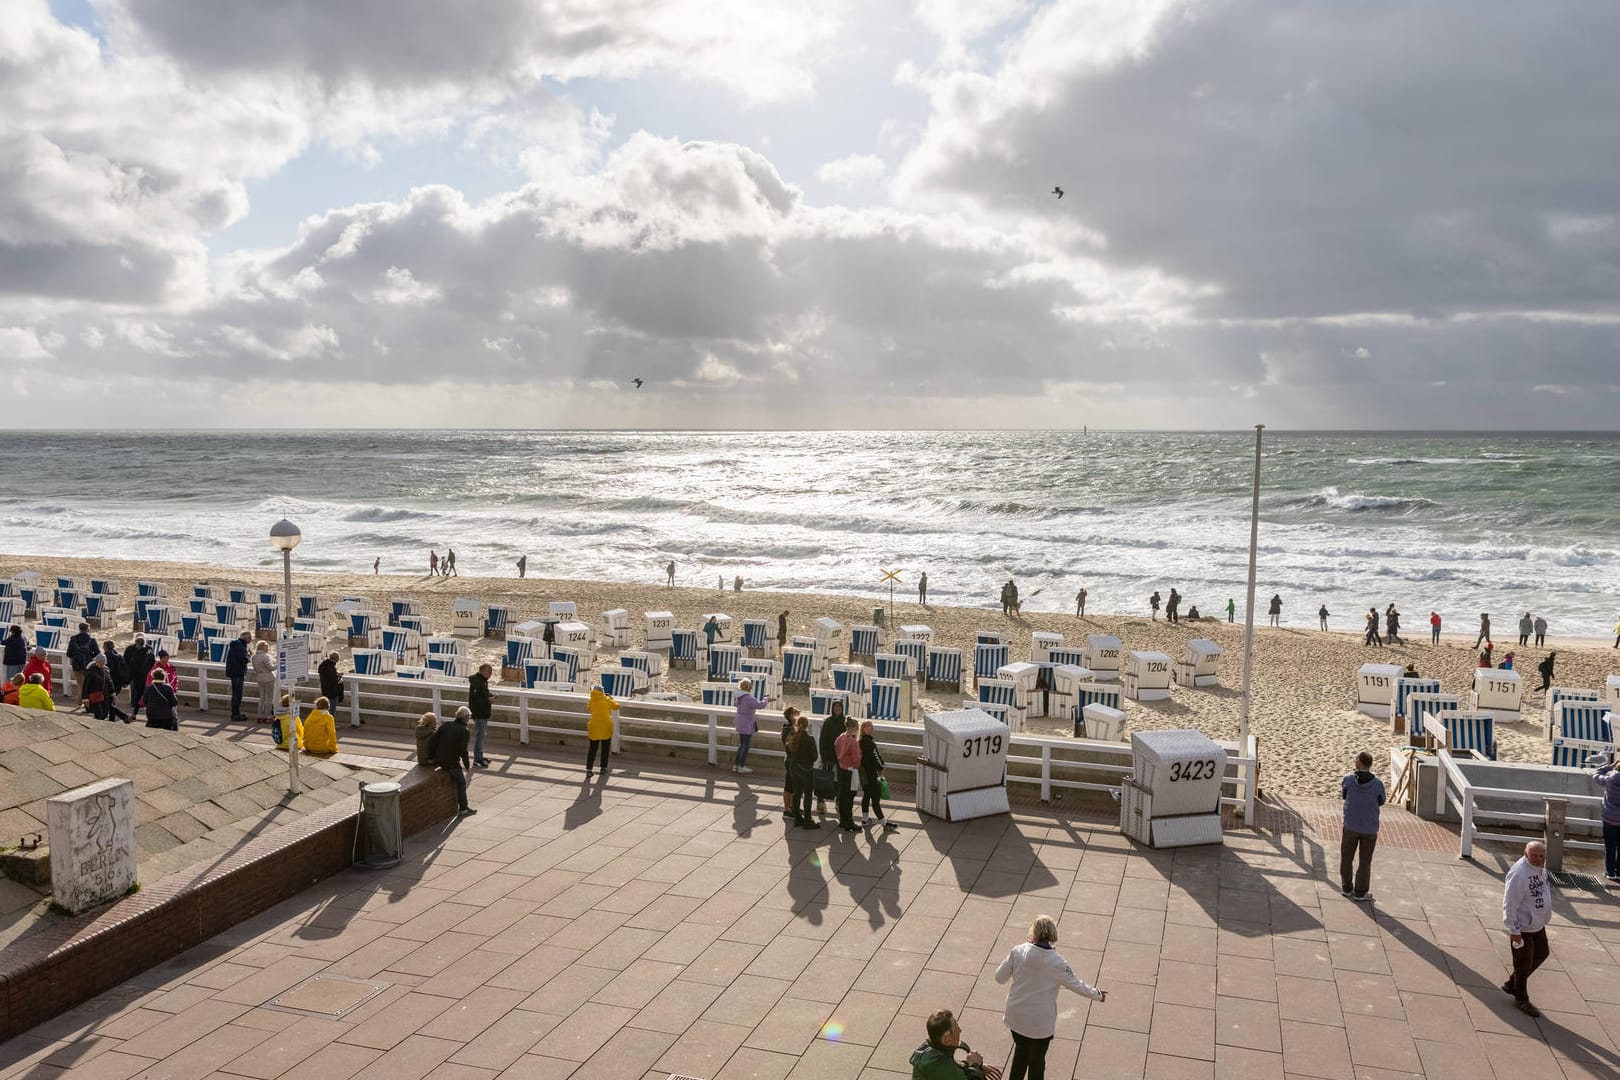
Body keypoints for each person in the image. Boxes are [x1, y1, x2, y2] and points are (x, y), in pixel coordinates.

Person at [994, 915, 1105, 1080]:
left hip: (1016, 1016)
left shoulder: (1018, 951)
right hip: (1040, 1022)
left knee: (1020, 1053)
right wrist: (1097, 994)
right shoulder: (1057, 962)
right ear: (1053, 934)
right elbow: (1077, 985)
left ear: (1034, 932)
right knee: (1037, 1061)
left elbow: (999, 977)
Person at [1501, 840, 1553, 1016]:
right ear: (1525, 854)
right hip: (1522, 927)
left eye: (1542, 856)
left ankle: (1512, 983)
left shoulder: (1540, 869)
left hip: (1537, 925)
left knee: (1542, 953)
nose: (1538, 859)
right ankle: (1521, 998)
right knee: (1523, 964)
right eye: (1534, 856)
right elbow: (1509, 904)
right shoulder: (1518, 874)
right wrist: (1514, 931)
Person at [1340, 750, 1384, 902]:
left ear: (1358, 762)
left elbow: (1344, 795)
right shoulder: (1377, 784)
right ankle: (1360, 892)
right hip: (1369, 828)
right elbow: (1381, 801)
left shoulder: (1348, 779)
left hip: (1351, 825)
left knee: (1346, 858)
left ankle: (1347, 888)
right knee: (1365, 861)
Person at [909, 1009, 998, 1080]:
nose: (960, 1030)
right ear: (948, 1039)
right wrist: (975, 1066)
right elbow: (949, 1070)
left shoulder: (931, 1049)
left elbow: (952, 1067)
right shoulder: (941, 1068)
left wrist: (971, 1066)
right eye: (956, 1027)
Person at [433, 706, 476, 816]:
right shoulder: (464, 731)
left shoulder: (446, 725)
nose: (469, 719)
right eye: (469, 717)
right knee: (461, 783)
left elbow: (434, 740)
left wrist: (433, 757)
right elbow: (463, 750)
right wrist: (467, 765)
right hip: (452, 762)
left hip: (440, 759)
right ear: (465, 717)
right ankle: (463, 808)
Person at [859, 719, 897, 830]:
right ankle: (882, 821)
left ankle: (865, 819)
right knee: (875, 796)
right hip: (871, 773)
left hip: (863, 772)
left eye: (872, 726)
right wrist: (881, 766)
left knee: (866, 795)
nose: (872, 728)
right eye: (869, 726)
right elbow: (877, 757)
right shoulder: (870, 743)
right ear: (863, 729)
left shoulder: (860, 742)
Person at [786, 712, 819, 829]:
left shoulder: (793, 736)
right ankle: (808, 820)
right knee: (808, 795)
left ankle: (798, 818)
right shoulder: (809, 738)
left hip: (794, 768)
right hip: (806, 770)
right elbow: (815, 756)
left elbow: (790, 751)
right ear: (807, 725)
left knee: (797, 792)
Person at [1593, 756, 1620, 883]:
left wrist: (1610, 766)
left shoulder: (1609, 780)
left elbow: (1596, 774)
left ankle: (1610, 872)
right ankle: (1619, 872)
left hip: (1609, 819)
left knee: (1610, 846)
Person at [732, 678, 767, 774]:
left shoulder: (739, 697)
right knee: (745, 746)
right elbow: (760, 705)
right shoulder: (749, 698)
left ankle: (736, 765)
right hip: (747, 723)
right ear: (748, 687)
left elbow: (736, 705)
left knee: (741, 745)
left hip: (740, 722)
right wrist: (766, 699)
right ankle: (741, 766)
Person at [818, 701, 847, 816]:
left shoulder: (845, 722)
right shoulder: (827, 722)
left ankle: (839, 802)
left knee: (840, 781)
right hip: (829, 756)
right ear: (832, 708)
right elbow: (822, 740)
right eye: (835, 706)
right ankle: (820, 802)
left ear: (842, 708)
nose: (837, 708)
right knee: (824, 780)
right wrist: (823, 756)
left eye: (839, 707)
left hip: (842, 757)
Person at [835, 716, 862, 831]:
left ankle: (843, 820)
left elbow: (836, 749)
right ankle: (849, 821)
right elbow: (856, 758)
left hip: (841, 769)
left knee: (842, 795)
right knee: (849, 797)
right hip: (851, 770)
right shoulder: (852, 741)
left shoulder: (840, 738)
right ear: (854, 727)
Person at [586, 686, 618, 778]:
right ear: (603, 692)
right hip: (605, 726)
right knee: (605, 748)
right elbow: (617, 706)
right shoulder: (607, 699)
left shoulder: (592, 700)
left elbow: (589, 708)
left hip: (594, 726)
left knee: (592, 749)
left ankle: (589, 770)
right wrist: (611, 698)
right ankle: (603, 768)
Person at [467, 663, 493, 767]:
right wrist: (488, 700)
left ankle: (480, 756)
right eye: (488, 671)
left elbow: (482, 694)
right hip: (479, 713)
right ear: (482, 671)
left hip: (483, 713)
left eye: (491, 672)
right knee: (479, 736)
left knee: (481, 736)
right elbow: (476, 698)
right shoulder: (477, 682)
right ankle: (477, 759)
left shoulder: (483, 681)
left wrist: (490, 696)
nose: (490, 674)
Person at [67, 622, 97, 706]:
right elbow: (97, 652)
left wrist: (76, 657)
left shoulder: (73, 639)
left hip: (77, 665)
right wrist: (90, 656)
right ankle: (88, 703)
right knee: (89, 685)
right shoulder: (91, 640)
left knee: (80, 685)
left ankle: (80, 702)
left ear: (79, 629)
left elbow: (68, 653)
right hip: (88, 665)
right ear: (88, 629)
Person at [122, 636, 153, 719]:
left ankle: (135, 711)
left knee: (139, 693)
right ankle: (135, 708)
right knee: (136, 691)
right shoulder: (130, 649)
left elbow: (151, 662)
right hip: (133, 674)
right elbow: (125, 661)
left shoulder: (148, 650)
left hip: (142, 675)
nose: (138, 647)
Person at [780, 706, 801, 821]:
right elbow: (789, 745)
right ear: (790, 716)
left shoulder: (792, 728)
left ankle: (792, 806)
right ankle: (787, 809)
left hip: (793, 760)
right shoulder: (788, 729)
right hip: (791, 760)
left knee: (793, 785)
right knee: (789, 786)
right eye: (796, 712)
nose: (798, 713)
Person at [224, 630, 251, 722]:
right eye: (250, 637)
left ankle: (235, 713)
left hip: (233, 671)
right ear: (246, 638)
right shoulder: (240, 647)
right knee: (237, 694)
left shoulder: (236, 645)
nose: (251, 639)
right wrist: (249, 656)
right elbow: (244, 659)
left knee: (235, 694)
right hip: (237, 673)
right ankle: (235, 715)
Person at [101, 638, 128, 721]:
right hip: (118, 683)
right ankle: (112, 718)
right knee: (111, 701)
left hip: (109, 683)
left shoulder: (105, 657)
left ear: (105, 647)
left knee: (107, 702)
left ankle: (123, 716)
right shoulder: (119, 656)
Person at [82, 654, 113, 721]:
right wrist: (85, 699)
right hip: (94, 696)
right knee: (99, 714)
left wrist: (113, 694)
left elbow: (110, 682)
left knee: (105, 713)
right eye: (100, 662)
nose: (102, 663)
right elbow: (85, 686)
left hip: (105, 696)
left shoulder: (106, 670)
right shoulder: (91, 671)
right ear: (97, 662)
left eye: (103, 662)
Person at [252, 641, 276, 723]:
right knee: (269, 698)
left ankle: (260, 716)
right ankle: (268, 716)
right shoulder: (265, 657)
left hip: (259, 679)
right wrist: (279, 664)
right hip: (268, 679)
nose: (268, 648)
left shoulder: (254, 657)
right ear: (264, 647)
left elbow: (256, 669)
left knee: (262, 697)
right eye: (267, 647)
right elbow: (271, 668)